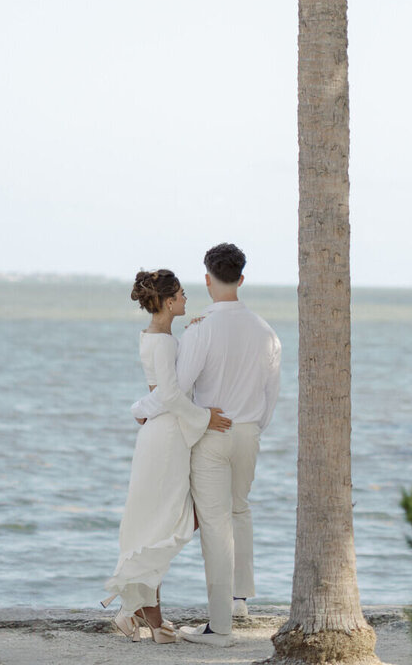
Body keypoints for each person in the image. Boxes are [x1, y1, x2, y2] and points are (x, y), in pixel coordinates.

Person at [132, 243, 281, 648]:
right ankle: (239, 601)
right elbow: (271, 397)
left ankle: (220, 628)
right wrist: (250, 428)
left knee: (215, 525)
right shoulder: (266, 331)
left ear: (207, 278)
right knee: (240, 510)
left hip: (212, 434)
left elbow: (175, 388)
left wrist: (140, 409)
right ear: (242, 279)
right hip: (249, 432)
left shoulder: (201, 329)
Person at [104, 269, 232, 643]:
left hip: (167, 434)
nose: (186, 297)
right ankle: (140, 613)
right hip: (165, 437)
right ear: (167, 301)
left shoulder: (161, 336)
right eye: (181, 294)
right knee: (167, 523)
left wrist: (190, 333)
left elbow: (165, 390)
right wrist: (206, 418)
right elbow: (173, 395)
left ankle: (145, 612)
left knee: (165, 522)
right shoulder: (160, 342)